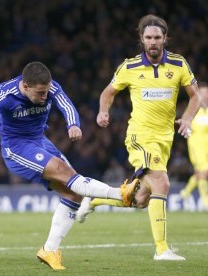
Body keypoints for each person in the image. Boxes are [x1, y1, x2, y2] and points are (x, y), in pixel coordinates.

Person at [0, 61, 139, 270]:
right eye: (40, 93)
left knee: (74, 193)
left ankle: (49, 250)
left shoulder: (50, 87)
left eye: (46, 91)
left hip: (40, 141)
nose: (45, 96)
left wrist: (73, 124)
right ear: (25, 86)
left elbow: (66, 104)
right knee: (65, 172)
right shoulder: (6, 93)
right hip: (17, 147)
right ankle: (120, 194)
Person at [77, 14, 201, 261]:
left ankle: (95, 200)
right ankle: (162, 249)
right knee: (162, 183)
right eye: (148, 37)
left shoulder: (178, 64)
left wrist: (187, 119)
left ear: (165, 38)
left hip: (165, 139)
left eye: (157, 37)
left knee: (141, 199)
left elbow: (195, 96)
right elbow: (108, 92)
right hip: (140, 136)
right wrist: (103, 111)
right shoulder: (130, 67)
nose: (153, 42)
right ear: (141, 40)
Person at [179, 82, 208, 210]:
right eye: (202, 92)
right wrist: (187, 127)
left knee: (200, 173)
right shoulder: (193, 107)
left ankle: (185, 193)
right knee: (205, 172)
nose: (205, 95)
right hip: (195, 145)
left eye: (207, 92)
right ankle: (206, 203)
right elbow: (184, 121)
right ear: (198, 94)